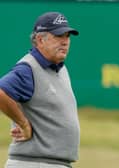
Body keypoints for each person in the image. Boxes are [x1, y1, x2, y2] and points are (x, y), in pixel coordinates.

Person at [0, 11, 80, 168]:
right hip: (33, 162)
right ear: (39, 40)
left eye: (67, 36)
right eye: (58, 36)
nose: (65, 42)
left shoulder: (60, 69)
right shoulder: (28, 68)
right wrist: (23, 124)